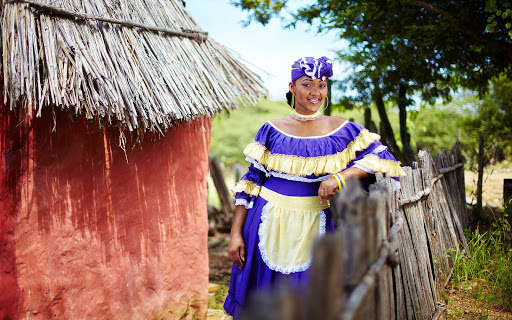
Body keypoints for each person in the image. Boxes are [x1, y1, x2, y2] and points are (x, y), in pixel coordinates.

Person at [223, 56, 406, 319]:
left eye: (321, 85)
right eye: (307, 85)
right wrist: (235, 233)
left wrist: (340, 177)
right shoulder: (271, 130)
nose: (315, 93)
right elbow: (251, 182)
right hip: (265, 226)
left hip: (316, 226)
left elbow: (384, 161)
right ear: (292, 87)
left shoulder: (343, 130)